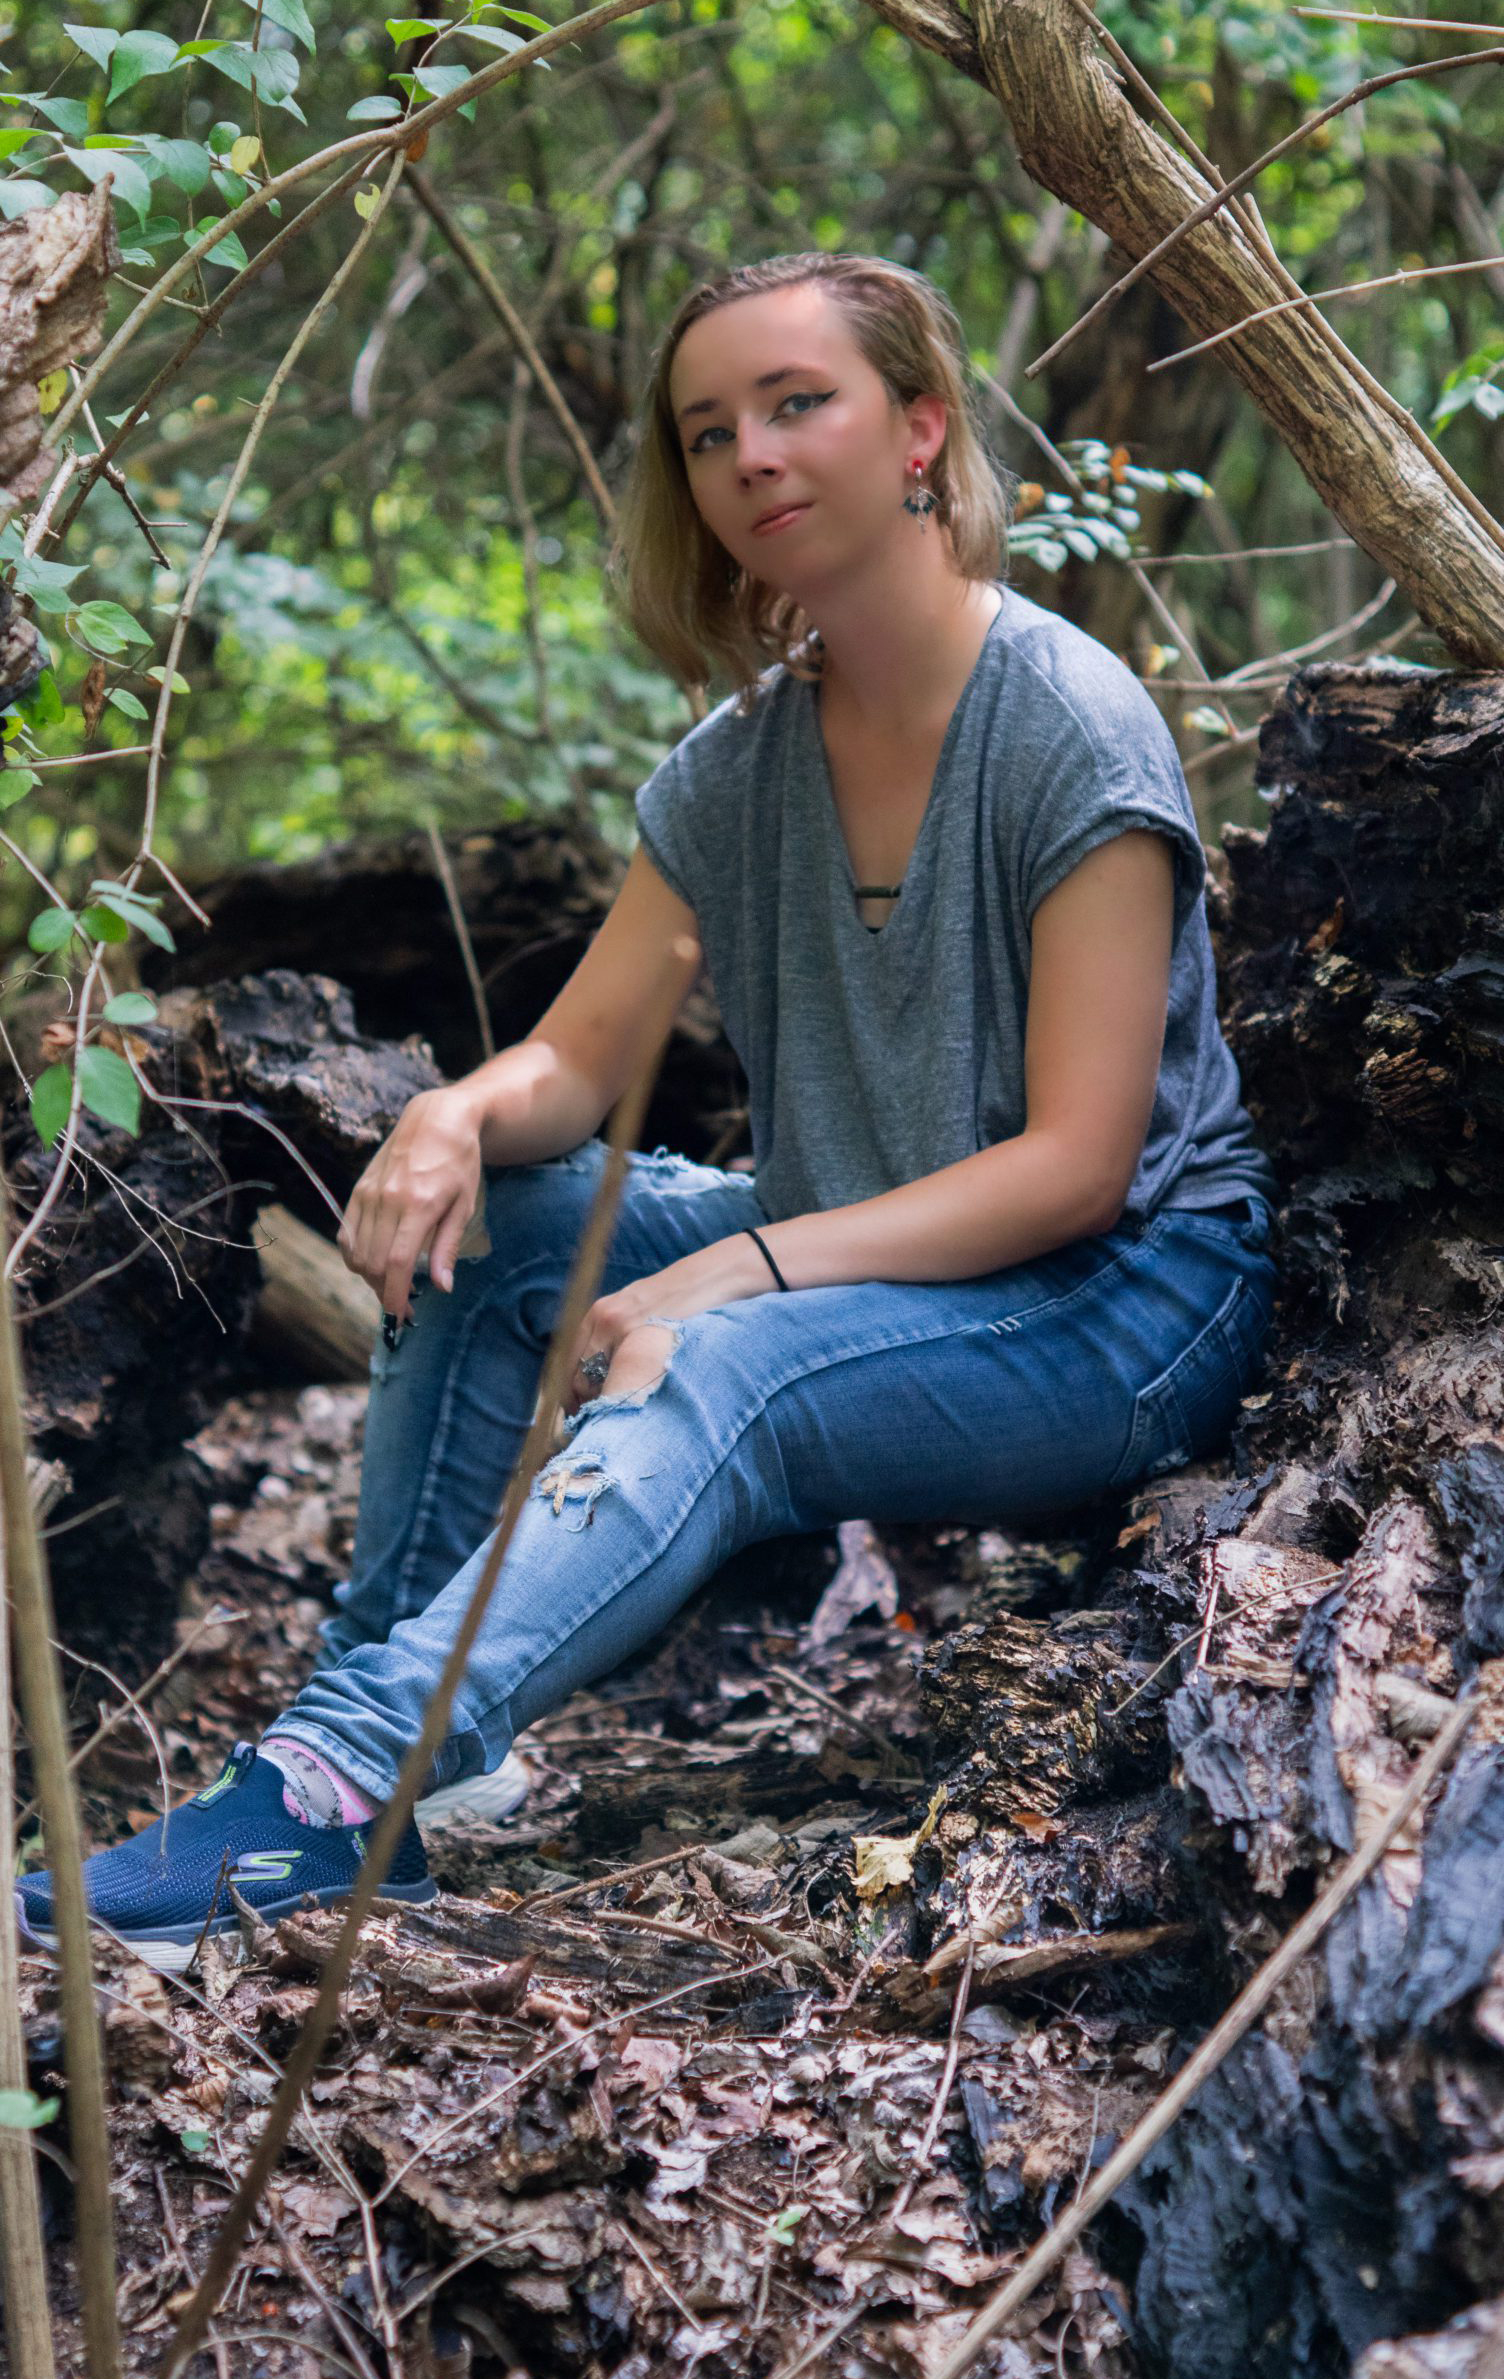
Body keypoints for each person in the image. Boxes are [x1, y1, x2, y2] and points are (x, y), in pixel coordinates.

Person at [16, 252, 1279, 1974]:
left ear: (921, 430)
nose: (746, 456)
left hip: (1121, 1300)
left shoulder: (1070, 731)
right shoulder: (735, 766)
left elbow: (1076, 1168)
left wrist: (738, 1270)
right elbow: (581, 1063)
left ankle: (338, 1783)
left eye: (795, 404)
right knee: (512, 1229)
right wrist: (458, 1117)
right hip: (875, 1245)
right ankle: (374, 1776)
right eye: (705, 432)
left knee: (721, 1360)